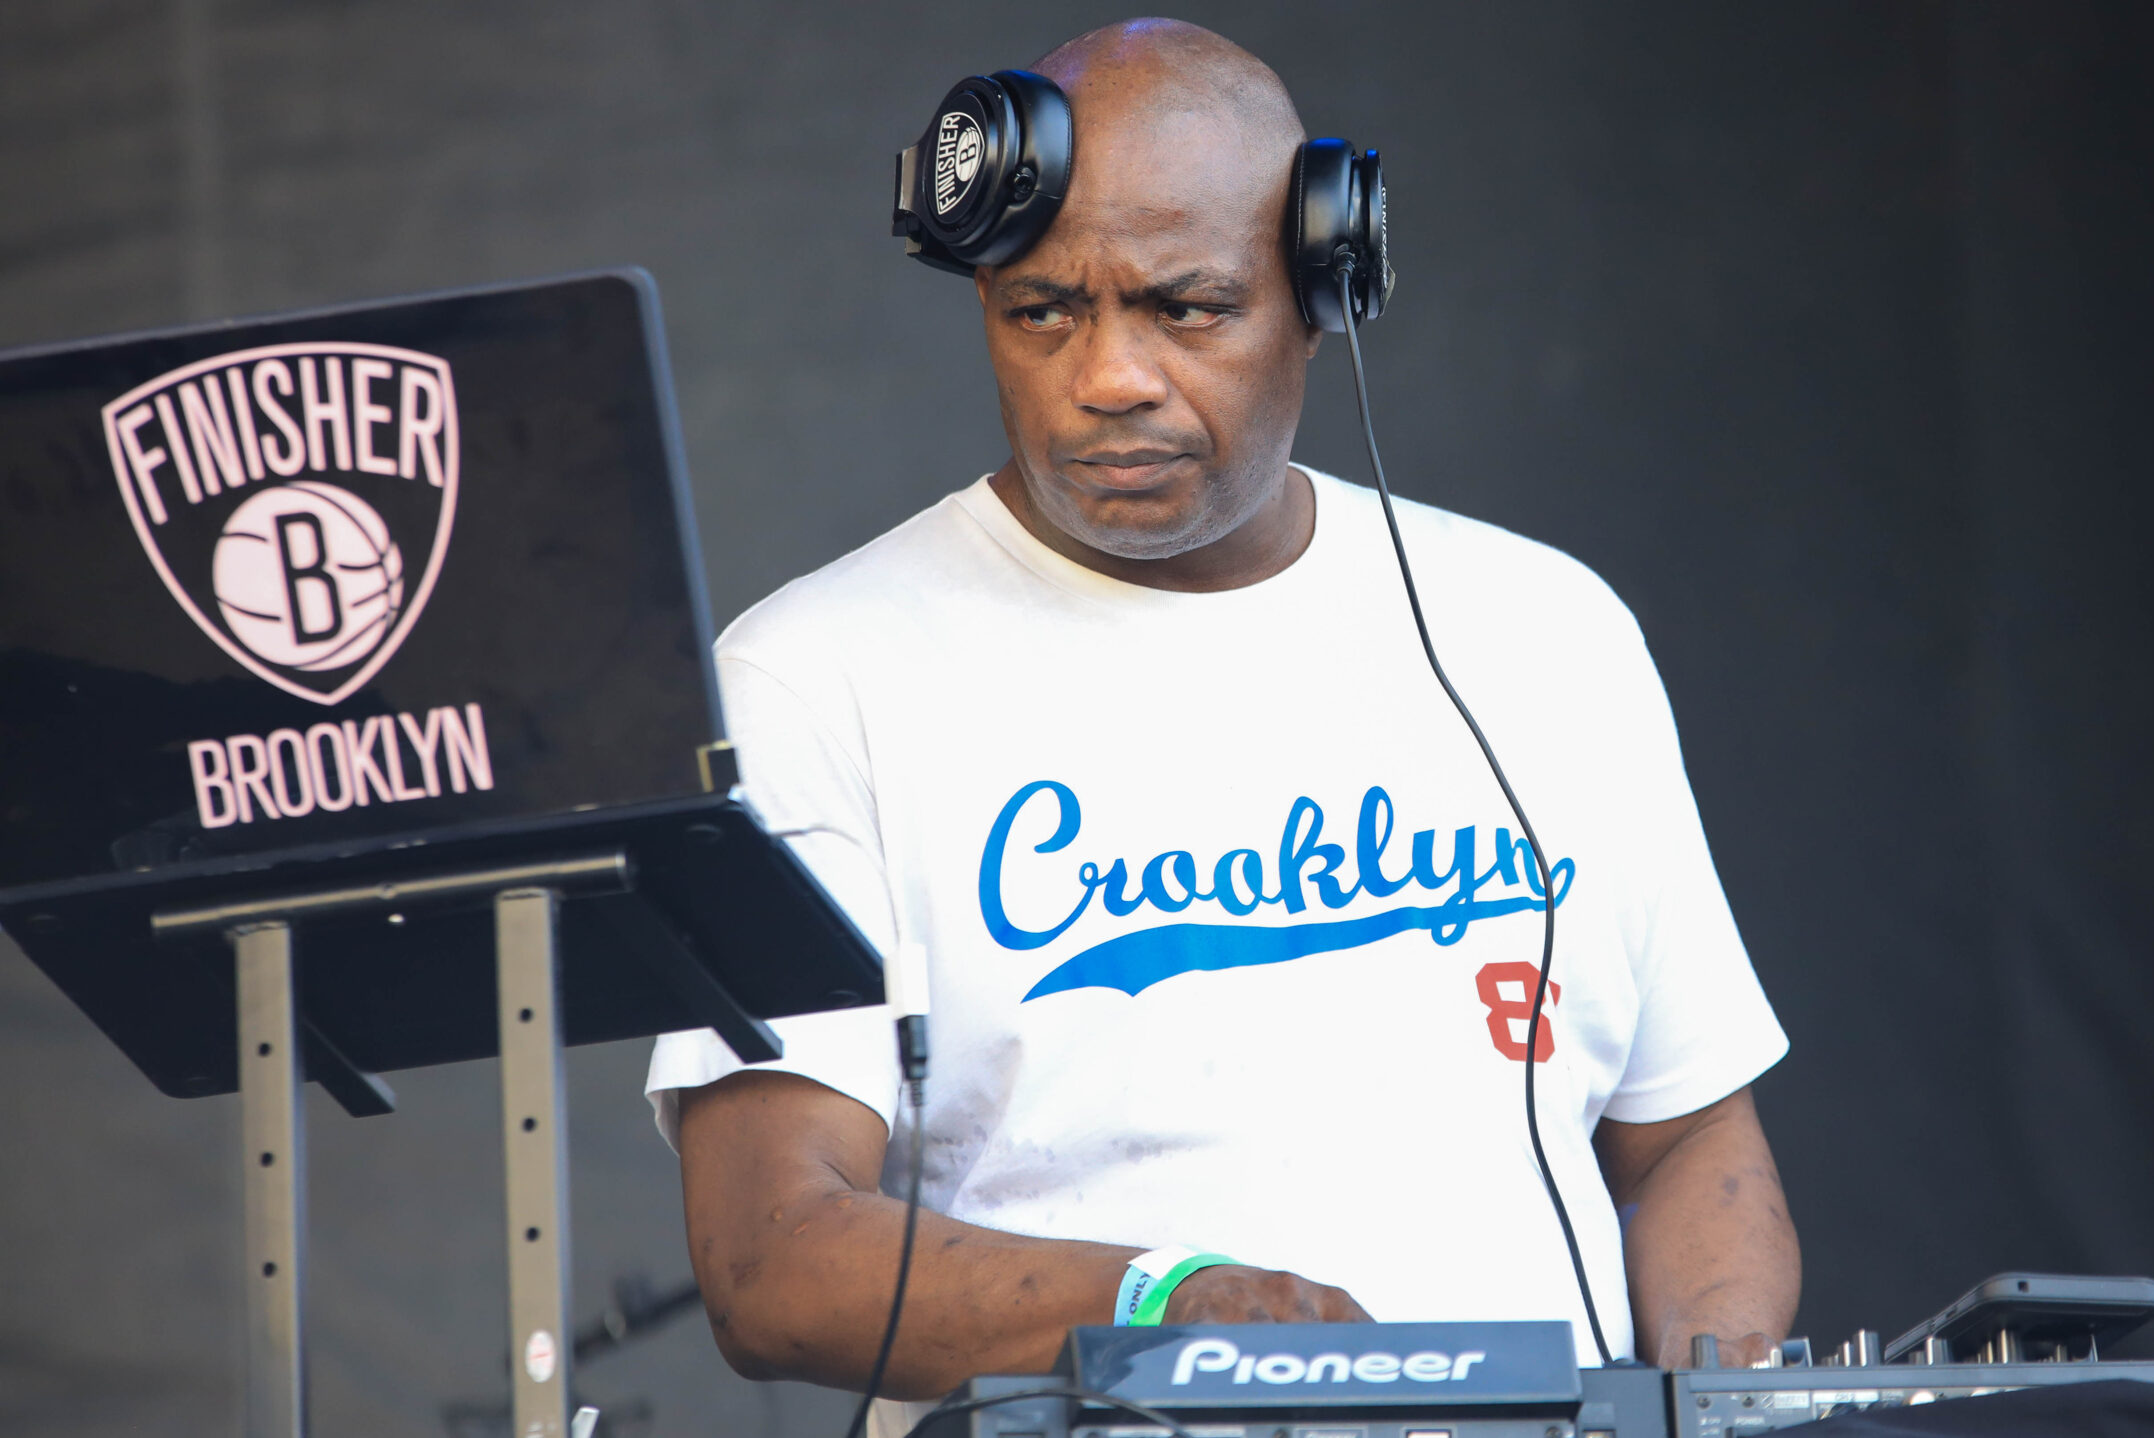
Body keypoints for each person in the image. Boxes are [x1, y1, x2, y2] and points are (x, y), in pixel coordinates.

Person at [645, 16, 1799, 1410]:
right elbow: (775, 1257)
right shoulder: (810, 674)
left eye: (1183, 307)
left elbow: (1687, 1150)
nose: (1108, 375)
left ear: (1325, 290)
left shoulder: (1550, 634)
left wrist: (1723, 1394)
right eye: (1041, 311)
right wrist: (1164, 1304)